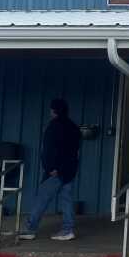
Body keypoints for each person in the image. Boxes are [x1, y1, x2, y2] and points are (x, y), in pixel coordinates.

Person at [19, 98, 81, 241]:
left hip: (55, 171)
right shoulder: (74, 127)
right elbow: (74, 150)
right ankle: (67, 229)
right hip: (70, 170)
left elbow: (49, 149)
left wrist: (51, 168)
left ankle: (30, 228)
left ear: (54, 110)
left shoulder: (54, 126)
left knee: (42, 198)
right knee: (66, 199)